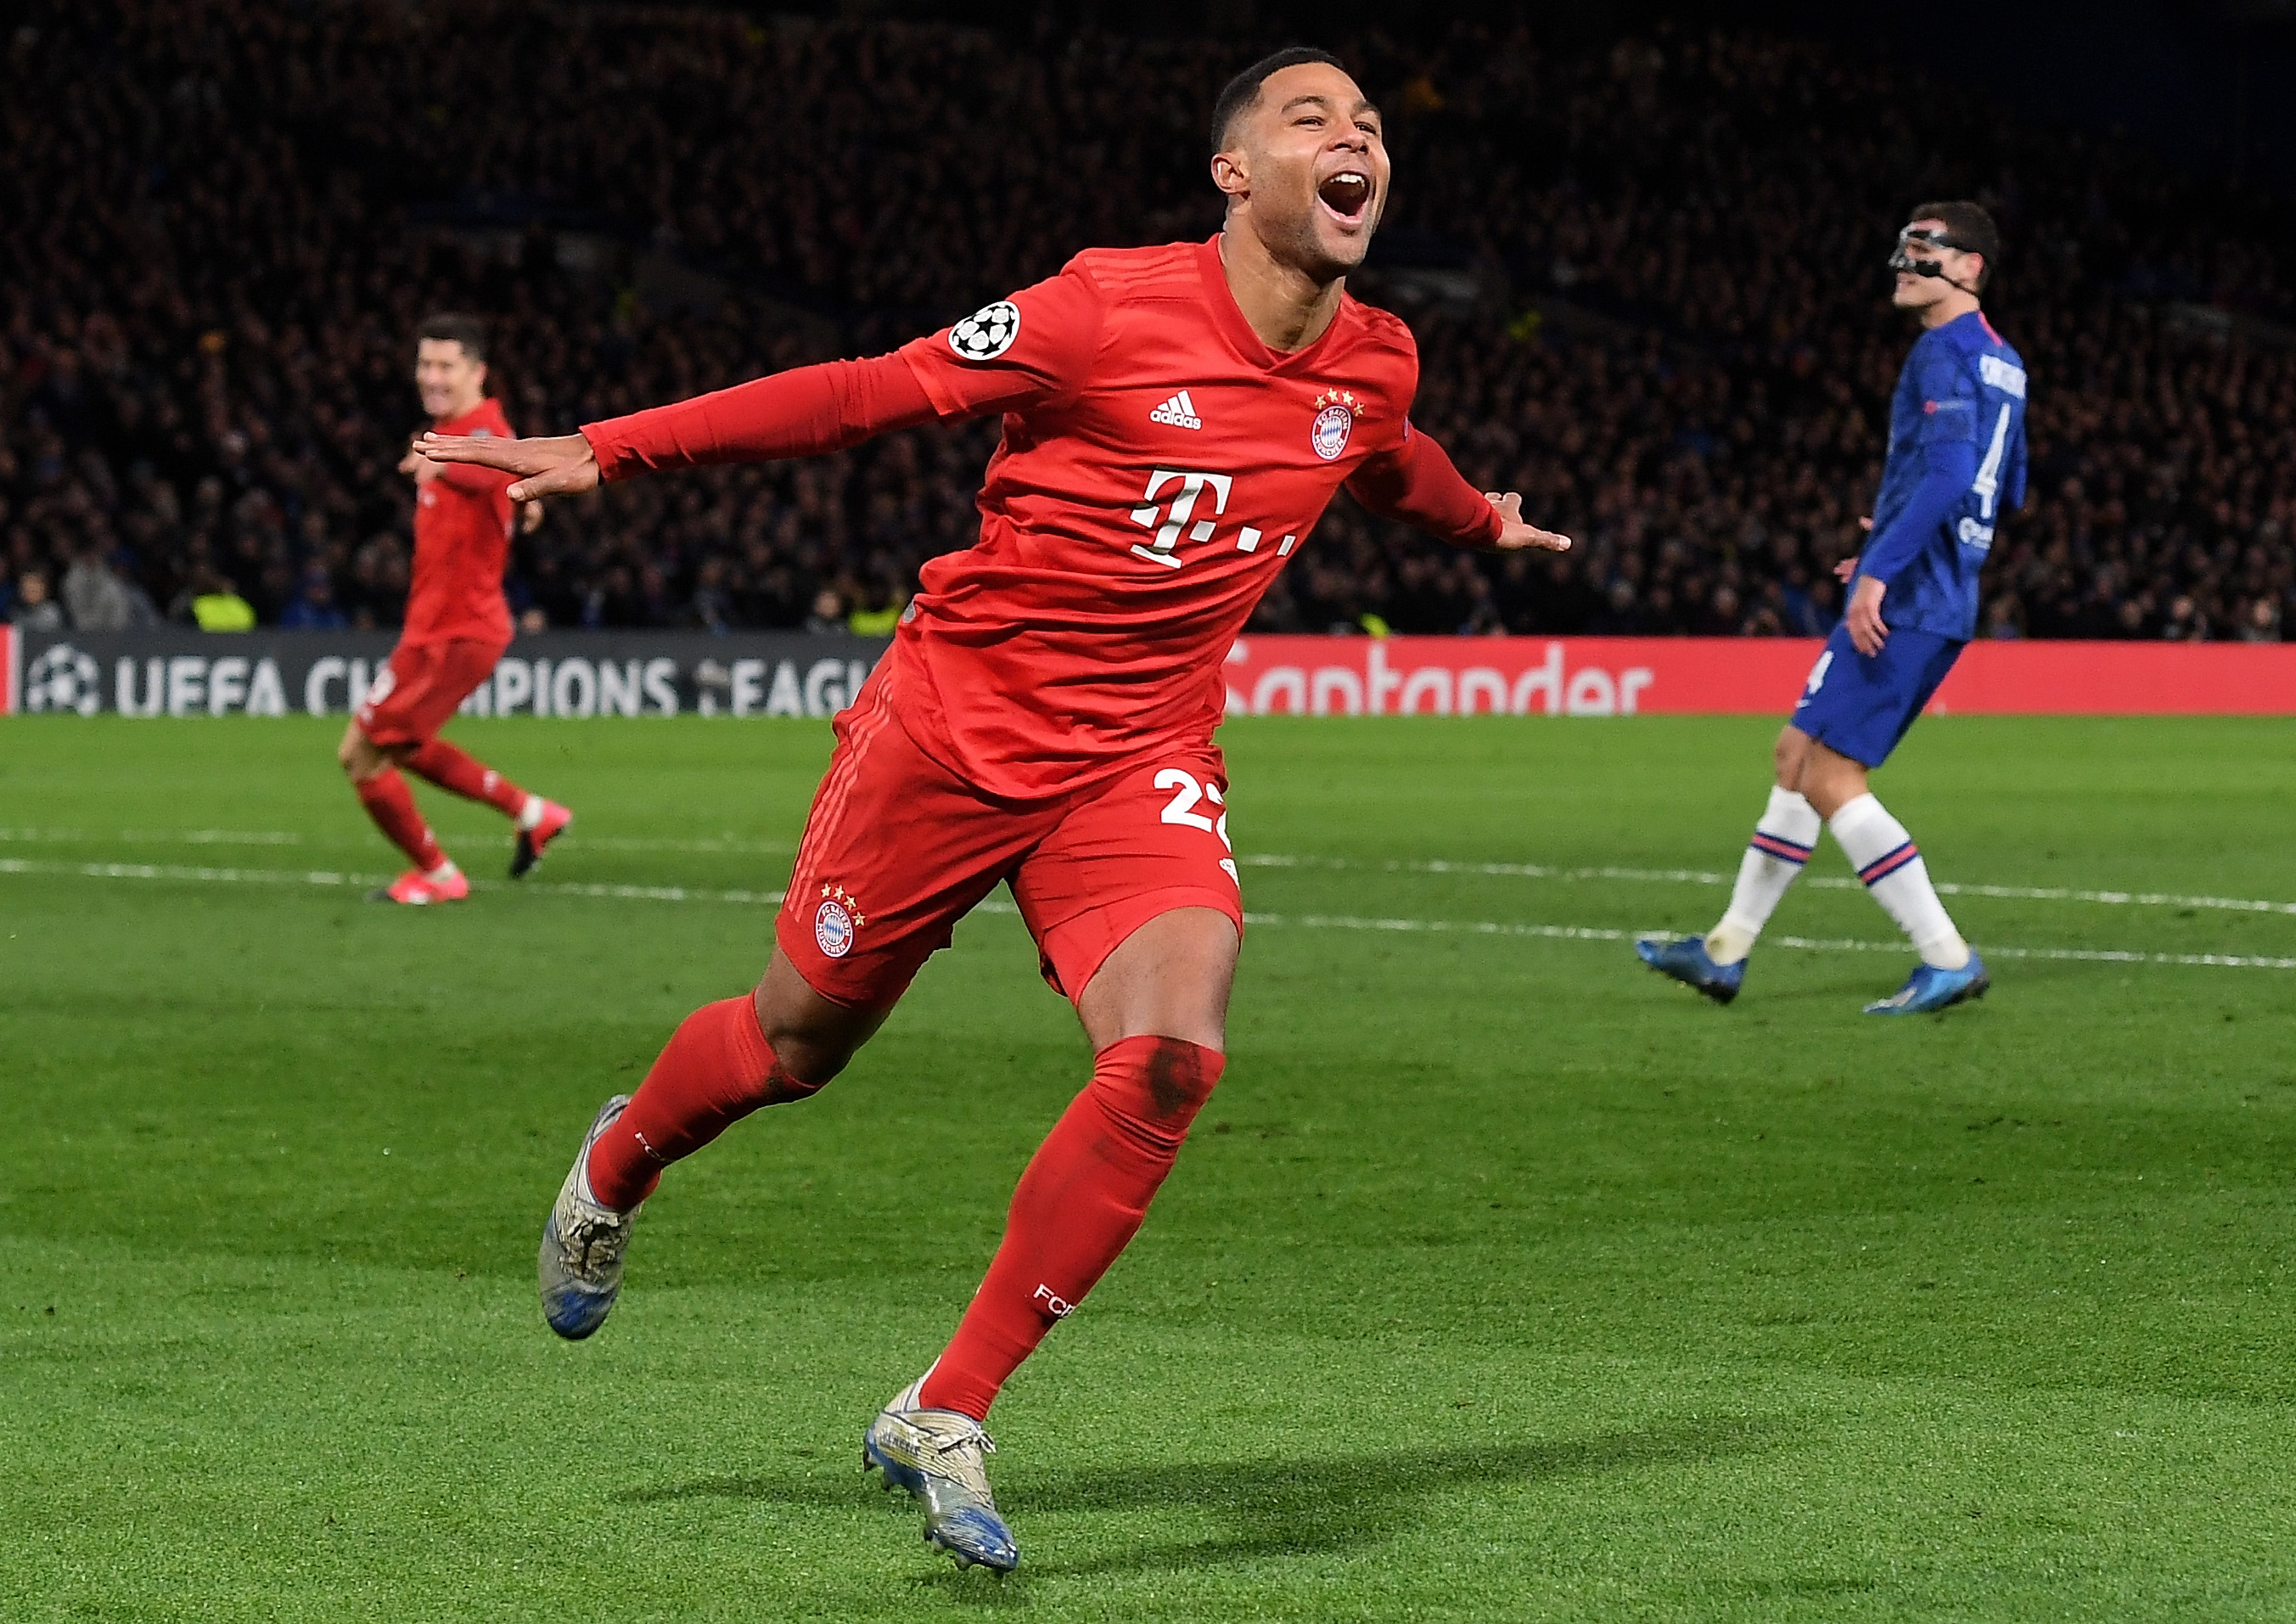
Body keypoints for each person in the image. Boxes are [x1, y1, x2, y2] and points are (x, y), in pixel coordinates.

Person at [418, 47, 1570, 1575]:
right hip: (951, 730)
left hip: (1137, 756)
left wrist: (1477, 510)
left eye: (1367, 127)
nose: (1352, 141)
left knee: (1170, 1053)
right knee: (791, 1044)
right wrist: (612, 447)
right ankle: (621, 1155)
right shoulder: (1100, 306)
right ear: (1234, 173)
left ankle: (944, 1404)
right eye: (1313, 121)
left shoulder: (1376, 358)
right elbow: (864, 392)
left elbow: (1383, 457)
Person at [1638, 202, 2026, 1014]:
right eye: (1904, 247)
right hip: (1938, 584)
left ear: (1972, 269)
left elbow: (1953, 474)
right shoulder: (2005, 363)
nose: (1905, 263)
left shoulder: (1940, 353)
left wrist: (1884, 567)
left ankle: (1946, 954)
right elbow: (2004, 488)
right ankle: (1724, 951)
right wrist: (1895, 533)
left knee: (1829, 774)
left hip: (1910, 597)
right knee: (1795, 755)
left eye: (1927, 250)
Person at [340, 315, 572, 905]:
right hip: (436, 628)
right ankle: (530, 811)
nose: (433, 376)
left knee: (363, 752)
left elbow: (497, 461)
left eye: (447, 366)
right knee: (400, 744)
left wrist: (449, 463)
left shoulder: (482, 434)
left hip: (455, 632)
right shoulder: (449, 432)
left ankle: (439, 874)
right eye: (425, 364)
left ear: (478, 372)